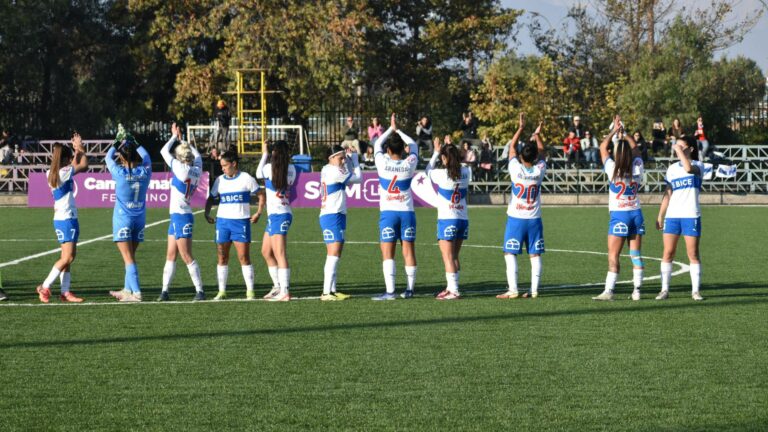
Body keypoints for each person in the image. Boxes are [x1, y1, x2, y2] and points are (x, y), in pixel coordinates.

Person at [592, 116, 646, 301]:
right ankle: (637, 291)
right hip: (636, 213)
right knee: (635, 254)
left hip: (620, 216)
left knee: (613, 255)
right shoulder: (637, 168)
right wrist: (626, 132)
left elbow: (602, 147)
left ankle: (609, 291)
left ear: (616, 153)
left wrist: (615, 131)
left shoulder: (613, 168)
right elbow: (637, 150)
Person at [497, 113, 546, 299]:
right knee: (535, 255)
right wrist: (537, 134)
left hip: (516, 218)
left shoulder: (515, 169)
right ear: (534, 157)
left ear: (521, 156)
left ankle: (513, 290)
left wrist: (520, 128)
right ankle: (533, 291)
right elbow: (542, 152)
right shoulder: (539, 170)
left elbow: (511, 148)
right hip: (534, 218)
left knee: (510, 253)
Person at [35, 134, 89, 303]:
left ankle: (65, 292)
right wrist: (80, 149)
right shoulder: (64, 172)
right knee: (68, 257)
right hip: (67, 217)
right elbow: (83, 166)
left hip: (61, 217)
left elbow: (73, 164)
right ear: (65, 159)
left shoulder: (51, 172)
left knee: (67, 256)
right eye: (69, 158)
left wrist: (75, 150)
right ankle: (45, 286)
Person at [372, 113, 419, 300]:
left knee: (387, 252)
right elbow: (414, 145)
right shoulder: (409, 163)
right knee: (408, 250)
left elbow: (376, 144)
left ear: (388, 150)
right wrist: (398, 129)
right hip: (407, 212)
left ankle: (390, 292)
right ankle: (409, 290)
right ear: (403, 149)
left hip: (389, 213)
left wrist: (390, 129)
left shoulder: (382, 162)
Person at [205, 150, 264, 300]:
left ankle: (250, 291)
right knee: (222, 257)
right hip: (223, 223)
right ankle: (222, 291)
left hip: (241, 222)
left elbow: (261, 195)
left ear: (234, 164)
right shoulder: (219, 180)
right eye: (221, 166)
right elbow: (211, 198)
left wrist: (258, 212)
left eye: (225, 165)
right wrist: (206, 213)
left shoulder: (246, 178)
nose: (222, 168)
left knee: (244, 257)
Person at [158, 123, 205, 301]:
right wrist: (185, 141)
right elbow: (198, 156)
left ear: (179, 157)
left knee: (186, 255)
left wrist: (174, 137)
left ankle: (200, 291)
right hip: (179, 215)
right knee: (171, 254)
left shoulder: (179, 168)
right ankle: (165, 291)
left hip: (182, 216)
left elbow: (163, 151)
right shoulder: (197, 169)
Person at [656, 136, 705, 301]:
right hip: (673, 215)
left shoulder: (698, 165)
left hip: (691, 215)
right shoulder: (672, 169)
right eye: (676, 146)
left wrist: (678, 150)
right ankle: (664, 290)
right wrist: (660, 215)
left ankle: (695, 291)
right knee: (668, 252)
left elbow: (689, 168)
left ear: (690, 149)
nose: (676, 148)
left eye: (681, 146)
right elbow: (668, 194)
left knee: (693, 253)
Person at [106, 126, 151, 302]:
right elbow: (146, 157)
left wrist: (118, 141)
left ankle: (137, 293)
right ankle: (126, 290)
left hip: (123, 220)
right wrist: (134, 141)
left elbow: (107, 157)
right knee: (130, 257)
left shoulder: (119, 172)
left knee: (128, 258)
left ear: (122, 158)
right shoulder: (145, 171)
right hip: (139, 219)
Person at [426, 138, 470, 300]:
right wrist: (450, 149)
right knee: (455, 256)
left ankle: (454, 291)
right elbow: (461, 163)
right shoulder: (466, 172)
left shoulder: (441, 174)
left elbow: (427, 170)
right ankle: (451, 287)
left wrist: (437, 151)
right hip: (462, 219)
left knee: (448, 257)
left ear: (444, 158)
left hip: (447, 219)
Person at [318, 144, 362, 300]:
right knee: (333, 254)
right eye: (340, 157)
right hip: (332, 214)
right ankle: (325, 292)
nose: (343, 160)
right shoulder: (335, 171)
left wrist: (348, 160)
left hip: (335, 213)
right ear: (331, 157)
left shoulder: (327, 168)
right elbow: (358, 178)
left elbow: (347, 174)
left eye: (344, 157)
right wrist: (355, 159)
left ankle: (332, 290)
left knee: (334, 254)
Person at [256, 140, 297, 301]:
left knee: (279, 253)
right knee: (266, 251)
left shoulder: (268, 168)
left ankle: (285, 290)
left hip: (279, 215)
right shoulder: (292, 169)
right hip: (278, 214)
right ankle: (277, 286)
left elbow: (259, 174)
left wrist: (264, 153)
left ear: (274, 153)